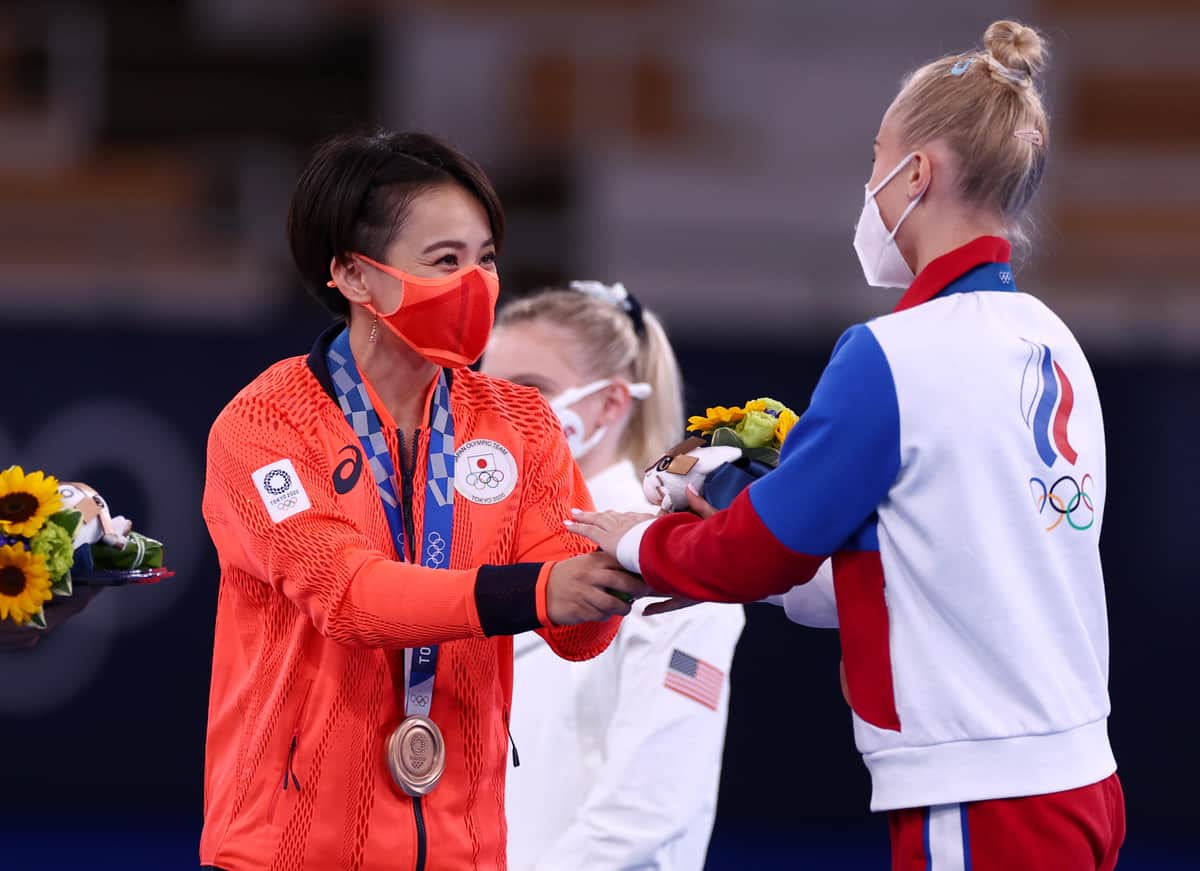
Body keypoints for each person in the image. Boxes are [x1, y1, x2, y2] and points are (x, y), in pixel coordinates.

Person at [569, 20, 1125, 871]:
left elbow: (762, 552)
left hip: (983, 790)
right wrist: (716, 554)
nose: (869, 183)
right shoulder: (1055, 342)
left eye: (875, 157)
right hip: (1079, 779)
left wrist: (642, 540)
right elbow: (929, 569)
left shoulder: (894, 357)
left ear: (919, 173)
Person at [198, 130, 647, 871]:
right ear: (352, 274)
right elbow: (349, 594)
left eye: (487, 258)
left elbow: (575, 635)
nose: (477, 283)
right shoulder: (265, 424)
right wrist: (543, 588)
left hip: (463, 849)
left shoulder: (521, 421)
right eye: (446, 261)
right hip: (281, 850)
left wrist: (625, 565)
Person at [483, 282, 745, 870]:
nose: (500, 412)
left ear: (609, 403)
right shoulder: (476, 554)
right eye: (486, 390)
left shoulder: (681, 561)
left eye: (530, 390)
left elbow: (651, 803)